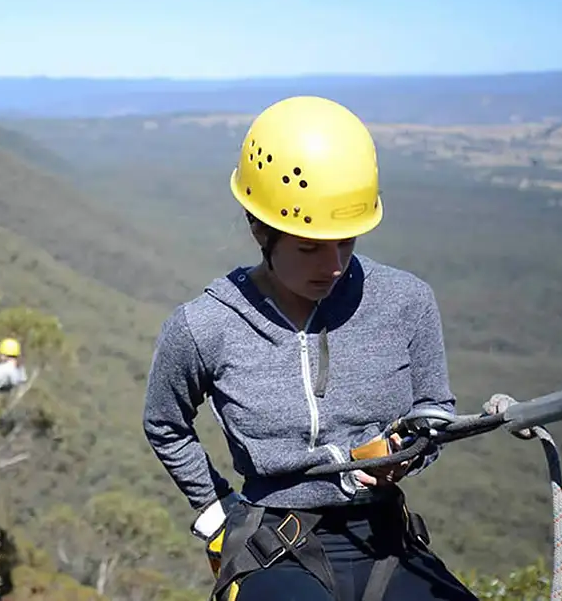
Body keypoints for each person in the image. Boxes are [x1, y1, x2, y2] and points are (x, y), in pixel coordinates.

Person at [142, 96, 478, 601]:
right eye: (309, 246)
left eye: (347, 241)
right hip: (273, 538)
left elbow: (434, 411)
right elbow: (165, 424)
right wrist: (216, 512)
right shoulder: (204, 326)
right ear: (259, 228)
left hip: (385, 534)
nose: (334, 265)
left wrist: (404, 453)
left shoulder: (406, 302)